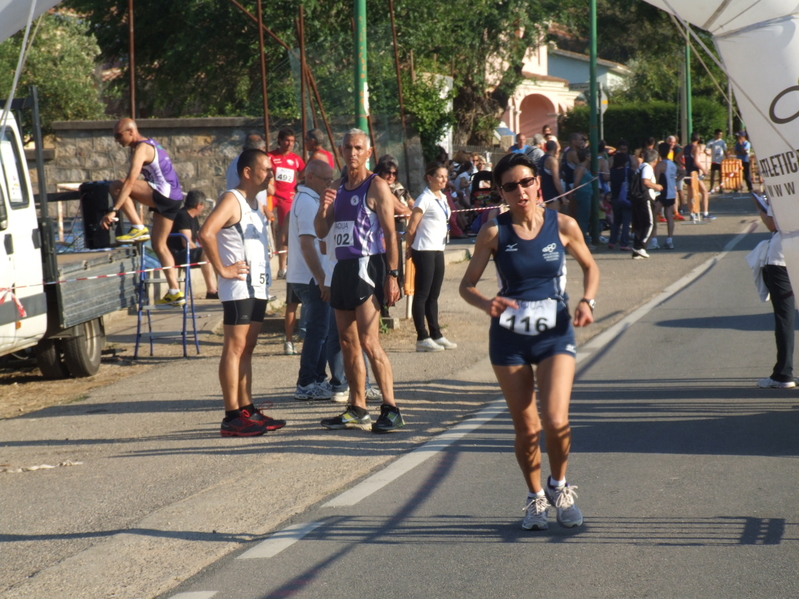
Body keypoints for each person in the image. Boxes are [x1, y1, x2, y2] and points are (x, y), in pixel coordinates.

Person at [459, 152, 599, 531]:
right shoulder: (493, 232)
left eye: (525, 183)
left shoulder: (564, 224)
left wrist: (586, 301)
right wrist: (487, 303)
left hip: (554, 332)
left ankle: (560, 485)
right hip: (510, 337)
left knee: (555, 420)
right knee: (527, 428)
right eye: (510, 187)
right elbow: (466, 286)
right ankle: (536, 496)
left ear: (538, 184)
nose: (520, 192)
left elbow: (591, 266)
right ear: (501, 193)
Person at [314, 128, 405, 433]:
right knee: (346, 341)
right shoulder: (337, 187)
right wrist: (323, 206)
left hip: (369, 266)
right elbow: (322, 230)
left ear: (368, 153)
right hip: (343, 268)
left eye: (358, 148)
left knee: (368, 340)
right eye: (347, 148)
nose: (352, 153)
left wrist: (393, 276)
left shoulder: (377, 186)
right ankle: (358, 408)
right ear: (340, 151)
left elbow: (391, 234)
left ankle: (391, 408)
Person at [198, 149, 286, 436]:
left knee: (248, 348)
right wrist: (222, 269)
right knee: (234, 348)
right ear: (247, 172)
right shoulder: (231, 199)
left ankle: (247, 409)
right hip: (238, 287)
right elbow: (206, 233)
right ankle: (231, 415)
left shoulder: (255, 203)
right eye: (265, 169)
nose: (270, 174)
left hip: (258, 286)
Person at [101, 118, 185, 306]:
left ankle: (138, 227)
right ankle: (175, 291)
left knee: (116, 186)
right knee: (159, 245)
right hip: (174, 198)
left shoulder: (142, 148)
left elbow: (130, 181)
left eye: (118, 135)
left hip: (164, 194)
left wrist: (113, 210)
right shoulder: (151, 143)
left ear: (131, 131)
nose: (116, 140)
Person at [287, 159, 336, 401]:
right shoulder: (307, 202)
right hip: (310, 276)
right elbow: (307, 245)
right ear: (311, 177)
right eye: (325, 179)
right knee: (317, 331)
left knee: (321, 330)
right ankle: (306, 383)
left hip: (311, 275)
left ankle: (317, 378)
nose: (329, 183)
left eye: (331, 179)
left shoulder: (310, 199)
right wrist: (321, 279)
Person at [406, 163, 458, 353]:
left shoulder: (442, 197)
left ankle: (436, 333)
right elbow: (412, 226)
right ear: (430, 177)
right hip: (424, 249)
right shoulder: (424, 198)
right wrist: (409, 248)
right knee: (422, 294)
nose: (445, 180)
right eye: (440, 176)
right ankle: (422, 336)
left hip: (438, 249)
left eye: (446, 176)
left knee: (434, 295)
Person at [754, 196, 796, 388]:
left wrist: (760, 209)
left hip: (783, 257)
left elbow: (773, 224)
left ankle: (783, 374)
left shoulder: (783, 187)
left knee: (784, 317)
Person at [167, 190, 219, 299]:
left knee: (215, 250)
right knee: (206, 252)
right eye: (203, 205)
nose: (204, 208)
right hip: (178, 254)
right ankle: (211, 290)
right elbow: (186, 243)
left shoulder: (193, 217)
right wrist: (203, 250)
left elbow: (200, 236)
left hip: (187, 253)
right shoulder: (182, 215)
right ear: (198, 205)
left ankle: (221, 287)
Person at [269, 127, 306, 278]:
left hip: (287, 198)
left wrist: (296, 188)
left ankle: (282, 267)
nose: (290, 144)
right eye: (287, 141)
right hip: (272, 196)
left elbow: (304, 171)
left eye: (292, 141)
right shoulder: (270, 156)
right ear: (280, 140)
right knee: (266, 225)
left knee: (285, 231)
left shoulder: (296, 159)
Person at [631, 149, 663, 259]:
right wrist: (657, 186)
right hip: (645, 198)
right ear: (655, 160)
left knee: (639, 224)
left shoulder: (640, 167)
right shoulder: (647, 168)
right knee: (650, 223)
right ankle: (641, 246)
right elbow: (645, 181)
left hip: (636, 197)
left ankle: (636, 249)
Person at [651, 142, 678, 250]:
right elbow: (683, 171)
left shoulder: (660, 165)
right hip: (671, 193)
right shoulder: (672, 164)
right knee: (669, 216)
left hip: (662, 193)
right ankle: (669, 240)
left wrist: (653, 191)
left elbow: (656, 180)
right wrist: (675, 181)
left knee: (653, 215)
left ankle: (654, 240)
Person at [684, 132, 714, 222]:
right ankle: (705, 213)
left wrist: (684, 165)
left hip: (687, 172)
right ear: (698, 139)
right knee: (704, 192)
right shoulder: (695, 148)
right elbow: (696, 162)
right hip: (694, 173)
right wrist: (704, 169)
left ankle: (691, 214)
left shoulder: (686, 148)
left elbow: (677, 158)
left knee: (690, 195)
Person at [607, 149, 633, 251]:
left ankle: (612, 241)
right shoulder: (628, 172)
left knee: (616, 221)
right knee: (626, 221)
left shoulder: (612, 171)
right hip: (626, 199)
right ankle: (624, 243)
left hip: (615, 198)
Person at [571, 148, 593, 243]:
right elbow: (576, 183)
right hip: (583, 195)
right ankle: (583, 240)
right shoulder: (580, 168)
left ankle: (584, 238)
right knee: (583, 217)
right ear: (586, 157)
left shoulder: (583, 168)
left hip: (586, 195)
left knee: (585, 217)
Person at [539, 140, 565, 210]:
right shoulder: (552, 160)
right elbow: (556, 180)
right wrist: (563, 196)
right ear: (556, 149)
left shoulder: (542, 159)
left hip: (545, 191)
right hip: (552, 193)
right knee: (554, 217)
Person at [706, 129, 727, 194]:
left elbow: (725, 150)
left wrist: (727, 157)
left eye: (721, 135)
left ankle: (721, 188)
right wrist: (707, 153)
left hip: (720, 160)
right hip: (714, 161)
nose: (720, 136)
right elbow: (706, 149)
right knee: (712, 175)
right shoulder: (711, 142)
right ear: (715, 134)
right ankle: (711, 188)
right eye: (719, 134)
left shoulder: (722, 142)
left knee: (721, 175)